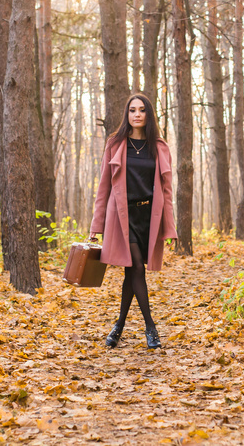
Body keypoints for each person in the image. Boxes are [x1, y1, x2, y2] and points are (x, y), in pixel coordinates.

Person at [89, 93, 177, 349]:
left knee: (132, 272)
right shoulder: (115, 144)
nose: (137, 114)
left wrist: (169, 228)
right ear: (127, 115)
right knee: (137, 267)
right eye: (132, 110)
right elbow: (103, 187)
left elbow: (167, 191)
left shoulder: (159, 147)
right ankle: (151, 328)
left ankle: (118, 326)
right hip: (122, 217)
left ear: (148, 115)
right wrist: (96, 226)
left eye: (142, 110)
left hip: (149, 217)